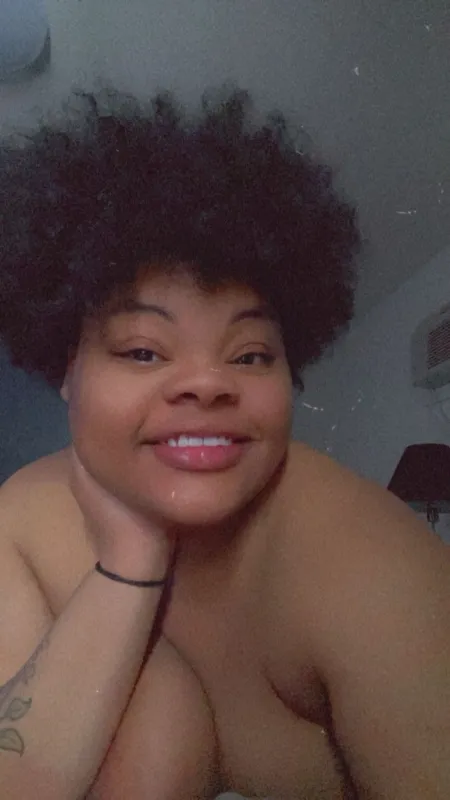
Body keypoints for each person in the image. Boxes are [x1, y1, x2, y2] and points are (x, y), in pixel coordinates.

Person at [0, 86, 449, 800]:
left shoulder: (373, 568)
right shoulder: (23, 515)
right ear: (67, 369)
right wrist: (130, 563)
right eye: (143, 351)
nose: (209, 384)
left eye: (250, 355)